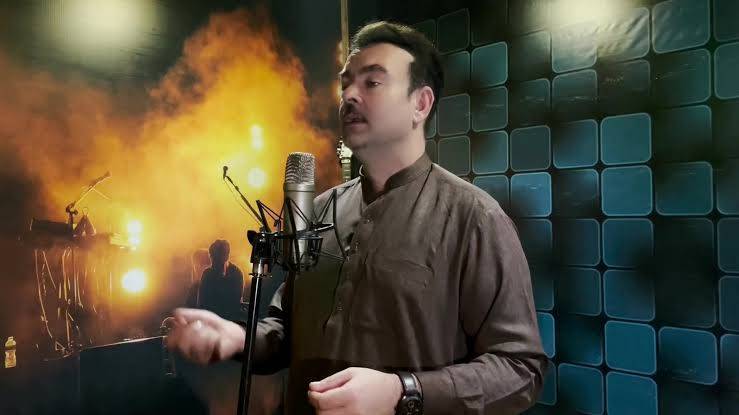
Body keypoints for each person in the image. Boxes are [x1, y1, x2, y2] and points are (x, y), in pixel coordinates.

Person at [167, 21, 546, 415]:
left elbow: (520, 369)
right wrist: (238, 339)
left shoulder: (475, 219)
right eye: (345, 83)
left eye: (372, 83)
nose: (349, 95)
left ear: (420, 104)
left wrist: (403, 391)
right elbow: (286, 331)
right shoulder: (316, 210)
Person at [196, 239, 244, 321]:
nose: (213, 262)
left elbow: (235, 302)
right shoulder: (208, 273)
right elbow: (201, 302)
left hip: (228, 320)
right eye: (212, 258)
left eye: (216, 258)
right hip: (211, 320)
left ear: (226, 256)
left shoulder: (236, 273)